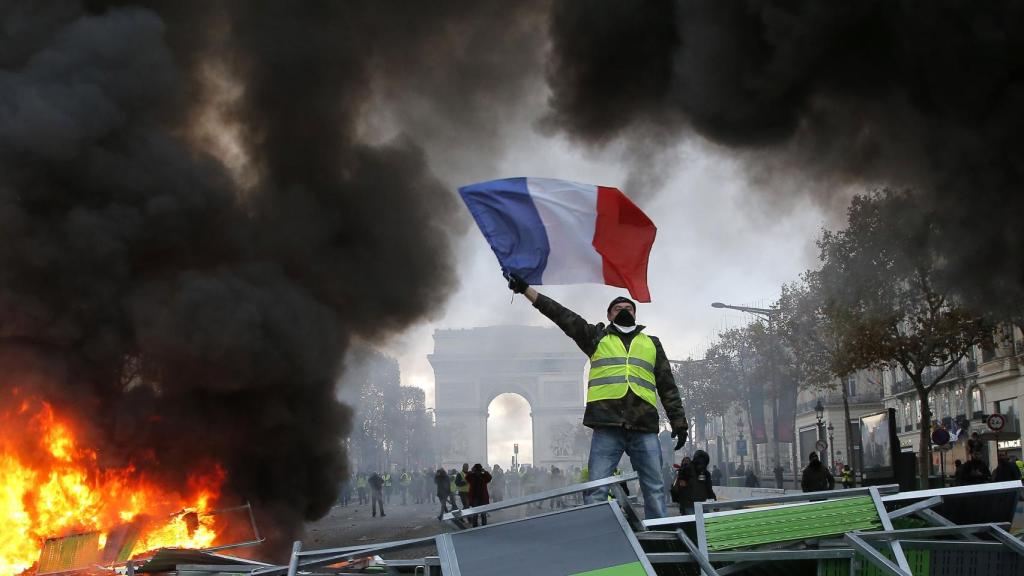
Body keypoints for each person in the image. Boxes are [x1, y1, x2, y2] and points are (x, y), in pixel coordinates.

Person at [507, 276, 688, 519]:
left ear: (635, 314)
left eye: (628, 308)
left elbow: (668, 386)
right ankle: (599, 535)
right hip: (608, 425)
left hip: (643, 424)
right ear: (609, 315)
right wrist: (527, 290)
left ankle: (661, 539)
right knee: (596, 489)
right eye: (618, 308)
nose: (623, 310)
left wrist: (679, 420)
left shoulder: (652, 344)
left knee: (654, 489)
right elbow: (562, 315)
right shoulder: (596, 337)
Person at [671, 450, 716, 515]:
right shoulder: (685, 470)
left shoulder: (706, 473)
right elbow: (680, 489)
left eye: (703, 463)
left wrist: (714, 503)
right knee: (692, 524)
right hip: (689, 505)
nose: (701, 465)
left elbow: (709, 489)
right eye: (700, 462)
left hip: (702, 504)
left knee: (704, 523)